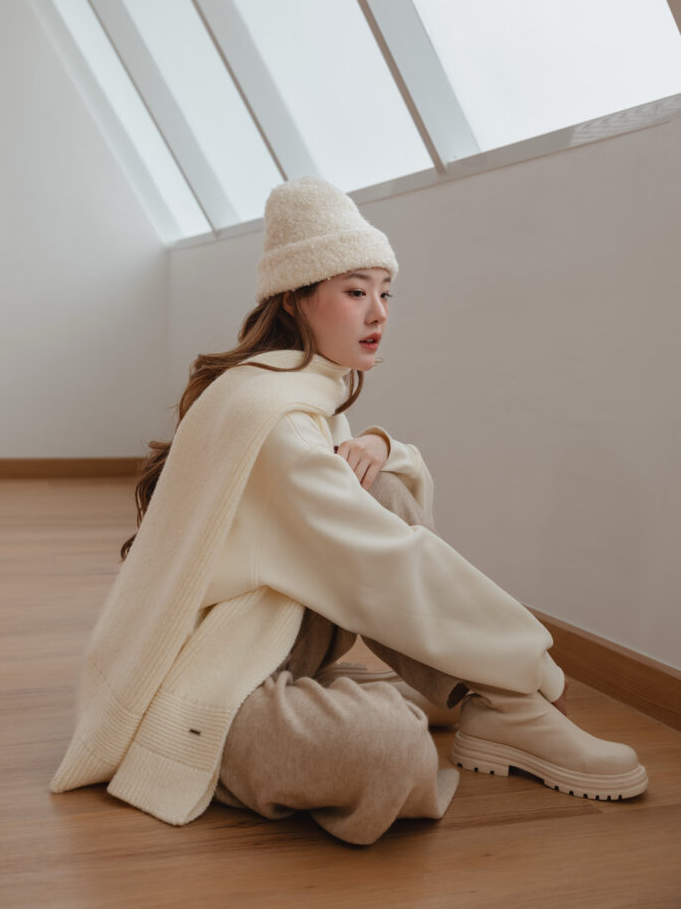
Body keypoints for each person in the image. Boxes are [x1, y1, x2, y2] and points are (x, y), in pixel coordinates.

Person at [50, 177, 647, 845]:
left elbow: (376, 526)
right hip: (202, 681)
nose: (378, 313)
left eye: (385, 292)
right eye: (355, 292)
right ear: (294, 298)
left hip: (268, 633)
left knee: (375, 485)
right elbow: (385, 565)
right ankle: (495, 703)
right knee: (393, 751)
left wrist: (382, 446)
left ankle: (494, 706)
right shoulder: (275, 419)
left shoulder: (287, 388)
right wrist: (531, 664)